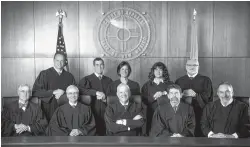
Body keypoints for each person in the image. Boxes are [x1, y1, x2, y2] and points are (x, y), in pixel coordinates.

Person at [32, 52, 76, 121]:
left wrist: (63, 92)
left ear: (65, 62)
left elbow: (75, 92)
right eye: (57, 60)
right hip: (48, 108)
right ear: (53, 60)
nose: (59, 63)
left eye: (62, 61)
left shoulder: (69, 76)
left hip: (65, 108)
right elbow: (35, 91)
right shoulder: (44, 74)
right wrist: (53, 92)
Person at [175, 59, 213, 137]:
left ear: (198, 67)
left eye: (195, 65)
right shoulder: (179, 81)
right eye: (189, 65)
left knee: (199, 135)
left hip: (200, 112)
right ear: (186, 67)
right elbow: (174, 97)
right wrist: (183, 94)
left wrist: (195, 95)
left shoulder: (206, 80)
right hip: (183, 114)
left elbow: (208, 97)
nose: (192, 67)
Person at [78, 57, 113, 136]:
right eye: (97, 65)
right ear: (94, 66)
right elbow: (80, 90)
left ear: (103, 66)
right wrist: (95, 92)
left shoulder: (109, 80)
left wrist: (105, 99)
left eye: (101, 65)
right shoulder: (86, 79)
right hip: (92, 110)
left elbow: (112, 96)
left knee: (105, 134)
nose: (99, 67)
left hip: (106, 111)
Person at [141, 62, 173, 134]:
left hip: (166, 114)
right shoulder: (147, 85)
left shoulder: (170, 84)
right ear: (153, 71)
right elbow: (143, 100)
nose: (158, 72)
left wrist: (163, 93)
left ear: (164, 71)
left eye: (160, 70)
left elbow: (174, 97)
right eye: (156, 70)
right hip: (151, 113)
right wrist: (154, 97)